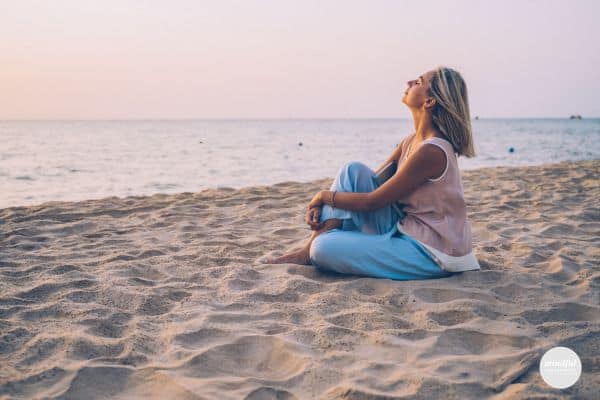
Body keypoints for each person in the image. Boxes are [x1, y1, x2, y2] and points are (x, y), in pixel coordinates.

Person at [260, 66, 481, 280]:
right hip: (407, 228)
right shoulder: (410, 142)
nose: (409, 82)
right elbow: (367, 184)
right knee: (352, 171)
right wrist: (325, 204)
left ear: (429, 102)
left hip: (433, 252)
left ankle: (311, 250)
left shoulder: (432, 151)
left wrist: (322, 197)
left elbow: (372, 202)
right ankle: (305, 252)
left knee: (323, 248)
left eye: (419, 82)